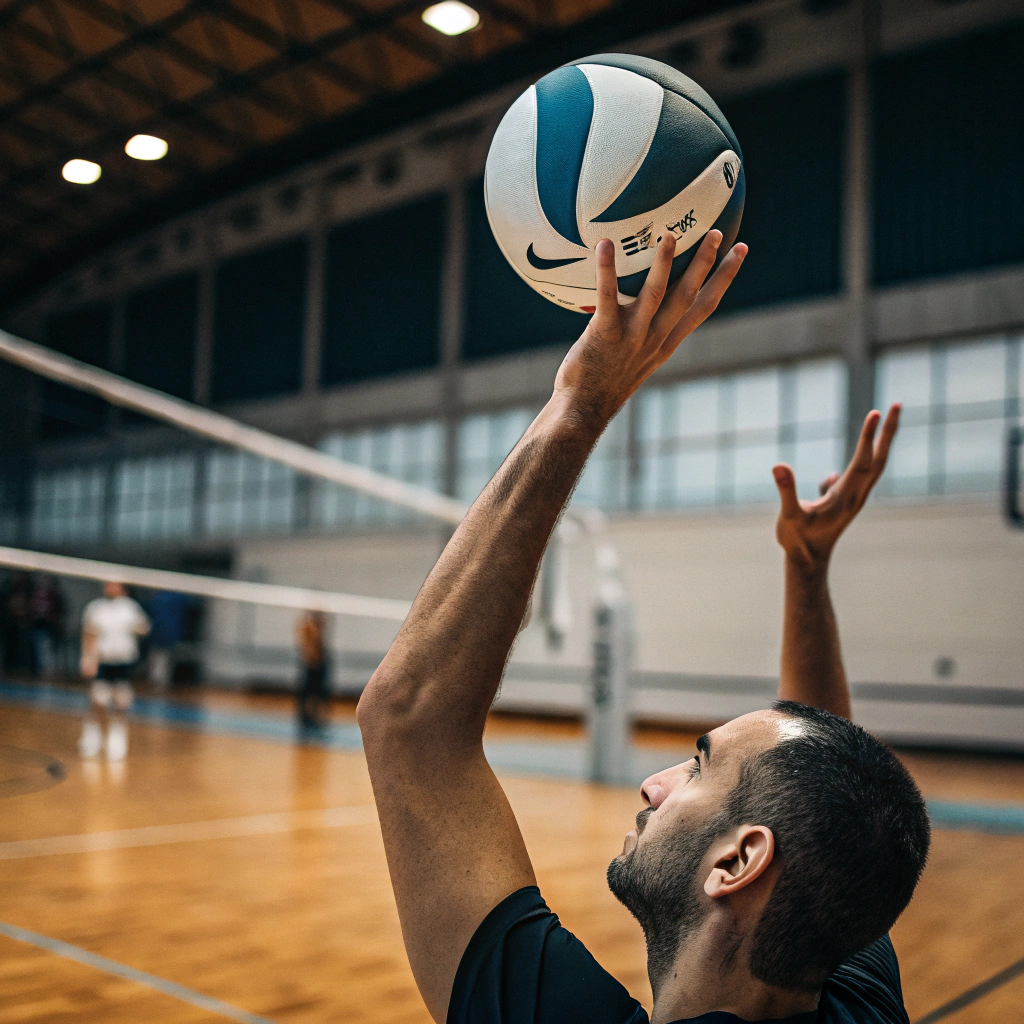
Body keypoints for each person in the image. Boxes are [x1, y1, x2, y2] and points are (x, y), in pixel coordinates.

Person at [357, 230, 931, 1024]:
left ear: (740, 859)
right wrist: (806, 568)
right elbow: (827, 783)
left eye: (696, 767)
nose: (653, 783)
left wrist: (579, 405)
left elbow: (409, 718)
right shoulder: (832, 942)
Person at [79, 581, 150, 761]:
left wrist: (137, 629)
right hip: (104, 660)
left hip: (124, 662)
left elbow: (144, 628)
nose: (109, 587)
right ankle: (91, 737)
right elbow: (89, 633)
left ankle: (116, 739)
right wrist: (88, 658)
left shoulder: (130, 608)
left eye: (114, 585)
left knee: (121, 701)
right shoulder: (97, 608)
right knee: (99, 699)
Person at [295, 610, 329, 731]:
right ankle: (305, 717)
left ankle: (314, 716)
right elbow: (304, 644)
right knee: (307, 692)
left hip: (318, 663)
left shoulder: (318, 628)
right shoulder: (308, 629)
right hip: (311, 664)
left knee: (318, 692)